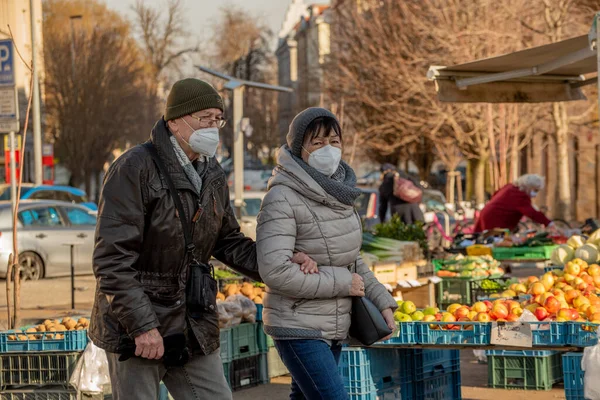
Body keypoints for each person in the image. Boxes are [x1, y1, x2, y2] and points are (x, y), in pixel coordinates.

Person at [90, 78, 315, 400]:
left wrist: (279, 260)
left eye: (217, 119)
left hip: (193, 318)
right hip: (139, 323)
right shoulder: (135, 167)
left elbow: (227, 240)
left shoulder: (211, 172)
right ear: (174, 121)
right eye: (204, 118)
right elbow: (112, 260)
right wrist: (141, 326)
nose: (213, 126)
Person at [256, 108, 398, 400]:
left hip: (334, 324)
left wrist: (382, 300)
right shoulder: (282, 197)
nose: (328, 150)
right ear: (299, 150)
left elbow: (352, 260)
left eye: (334, 141)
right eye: (317, 143)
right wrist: (343, 283)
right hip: (297, 325)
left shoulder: (340, 195)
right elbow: (275, 270)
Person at [474, 174, 553, 232]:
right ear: (528, 187)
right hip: (496, 219)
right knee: (494, 242)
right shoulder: (519, 196)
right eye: (535, 190)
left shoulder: (510, 187)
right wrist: (549, 223)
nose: (535, 194)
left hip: (488, 213)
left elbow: (495, 194)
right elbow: (532, 213)